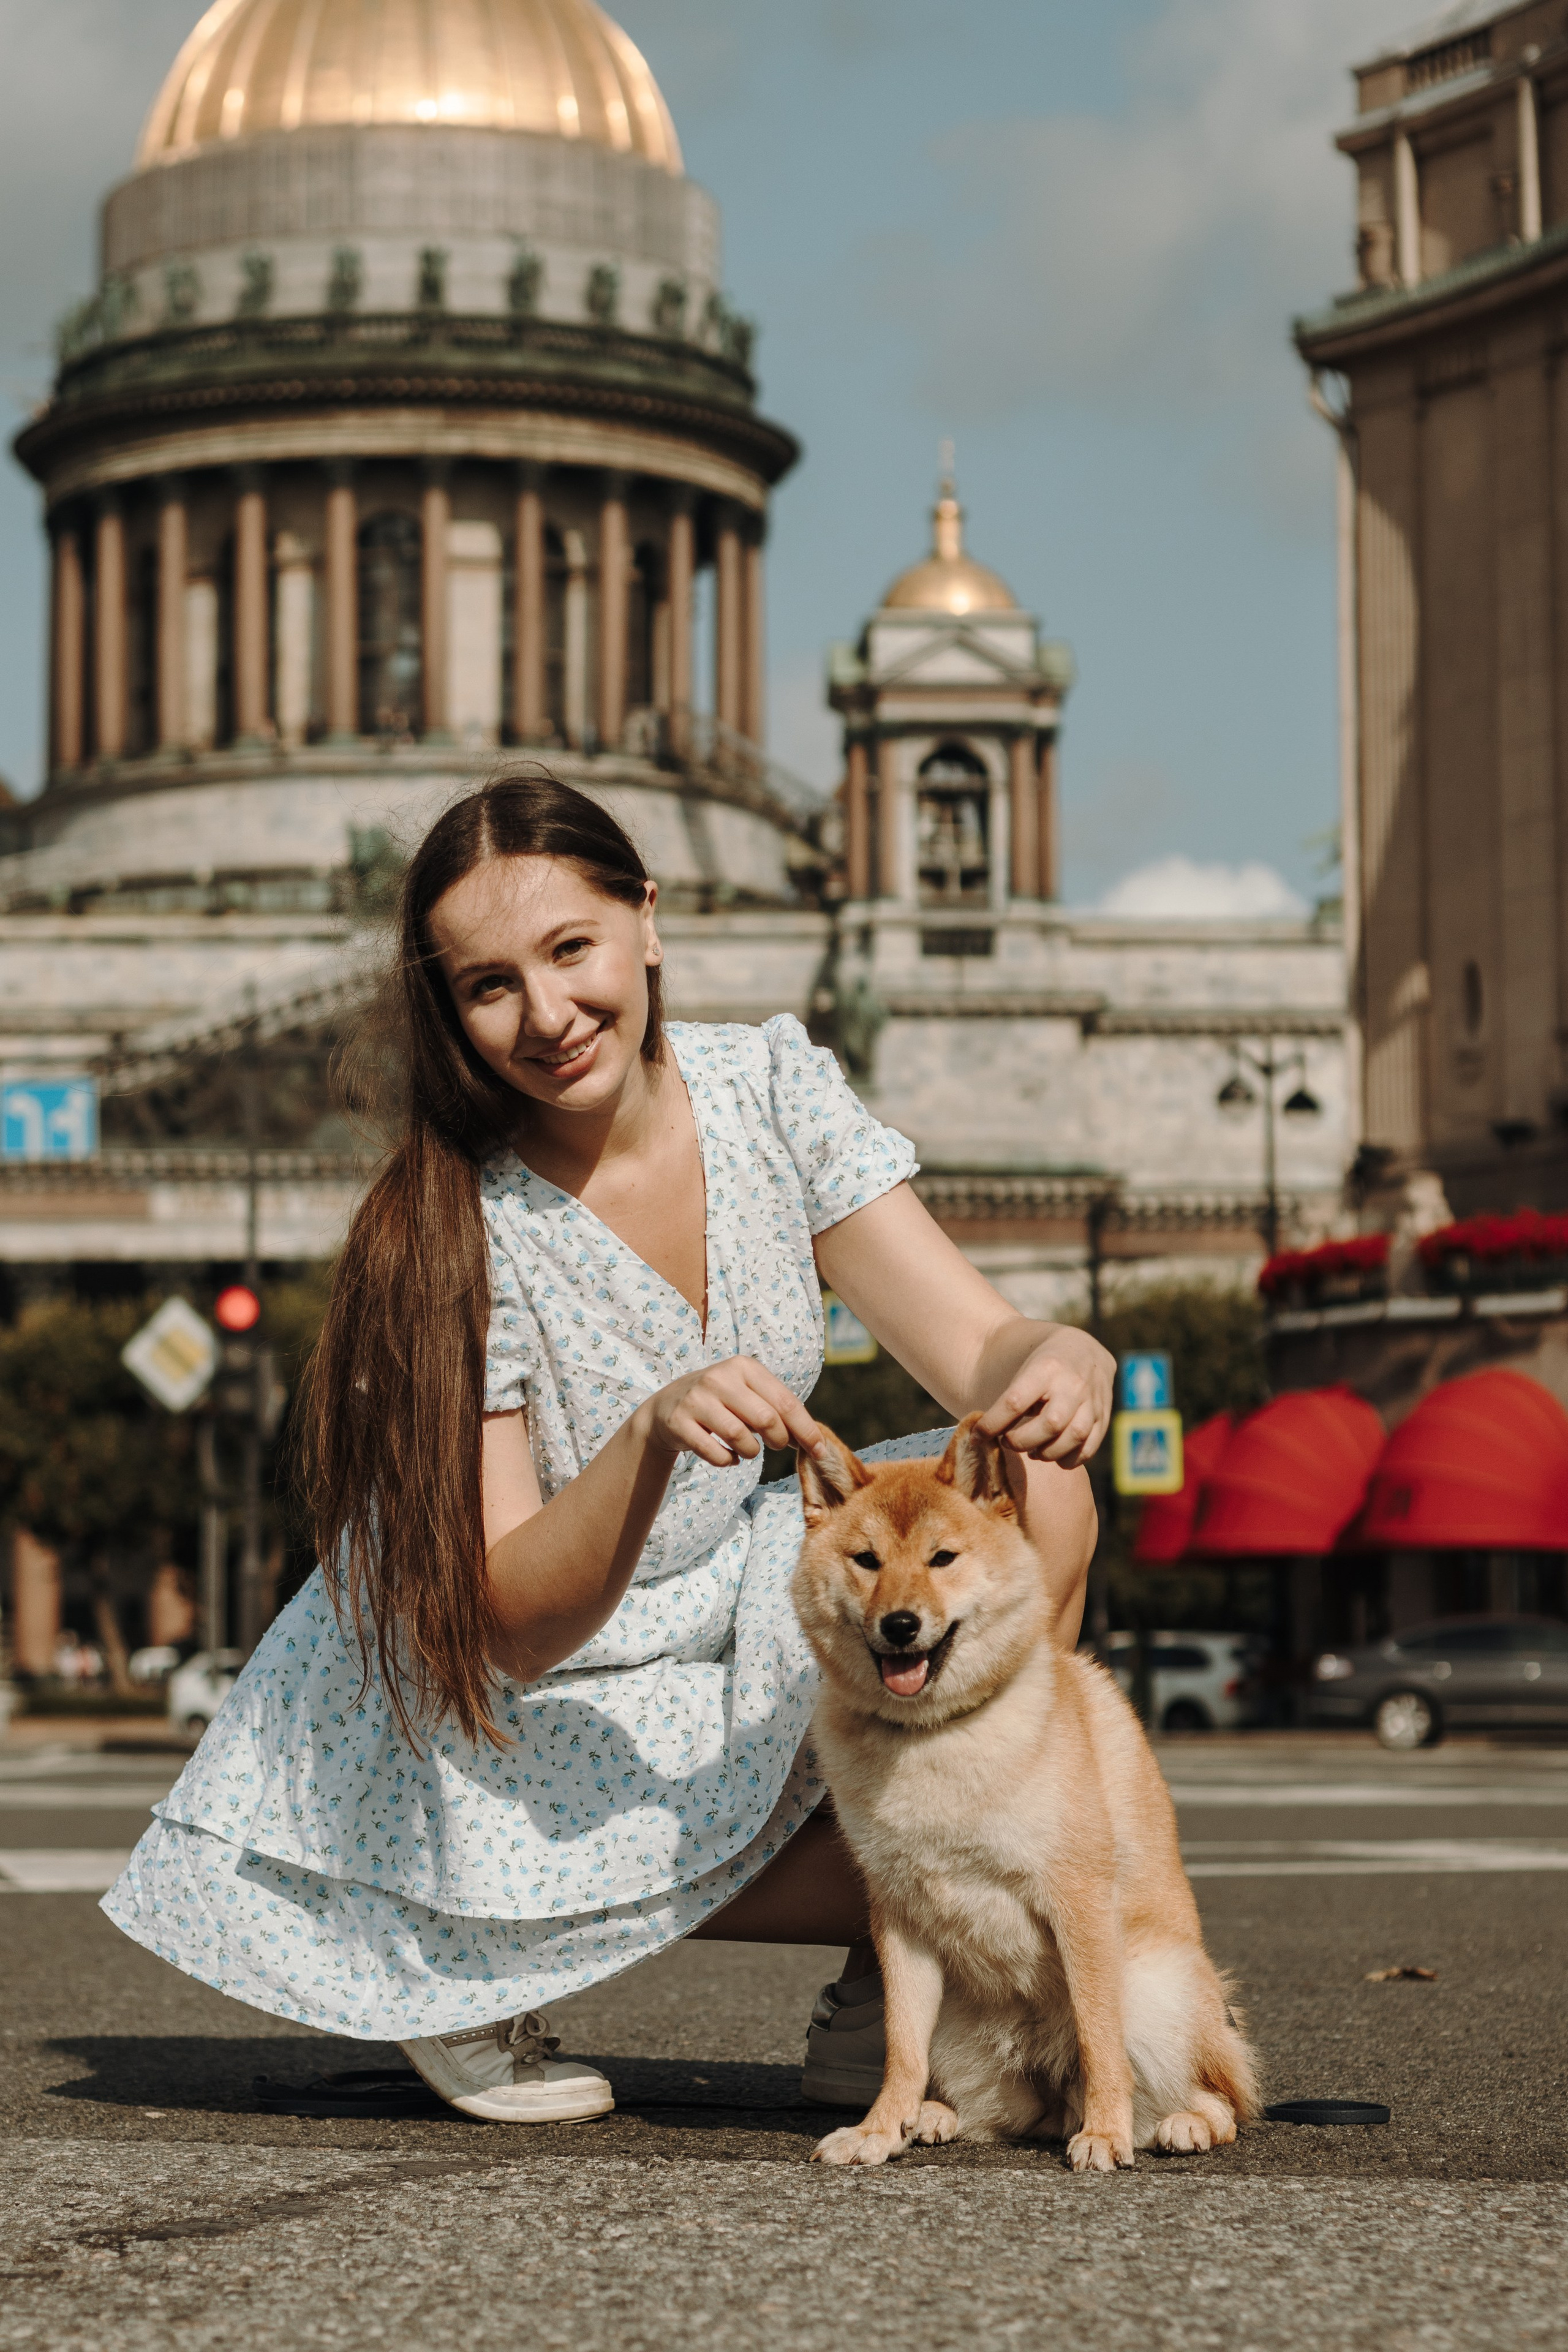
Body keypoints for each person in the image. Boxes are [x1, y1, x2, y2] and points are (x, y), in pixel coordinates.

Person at [104, 775, 1113, 2122]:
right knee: (951, 1843)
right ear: (446, 1011)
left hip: (718, 1587)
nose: (547, 1016)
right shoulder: (452, 1226)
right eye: (487, 985)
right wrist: (645, 1443)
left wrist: (1058, 1354)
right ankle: (454, 1948)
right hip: (504, 1664)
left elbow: (975, 1348)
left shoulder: (765, 1089)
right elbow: (508, 1618)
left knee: (1035, 1491)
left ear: (647, 917)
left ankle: (884, 1989)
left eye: (570, 950)